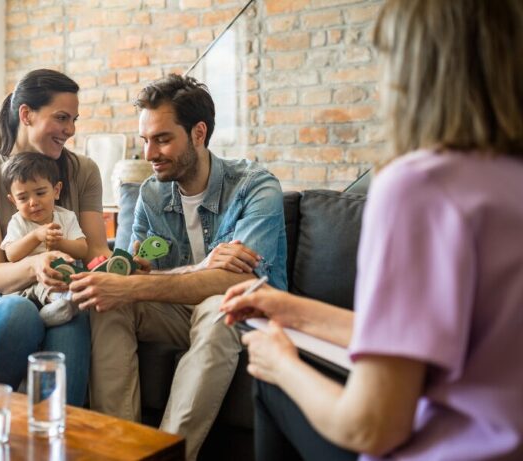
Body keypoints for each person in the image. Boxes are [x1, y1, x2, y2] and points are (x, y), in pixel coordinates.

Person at [220, 0, 523, 459]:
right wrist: (291, 309)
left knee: (269, 383)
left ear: (411, 72)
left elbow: (371, 427)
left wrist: (281, 365)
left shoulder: (421, 185)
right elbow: (427, 337)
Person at [69, 74, 288, 460]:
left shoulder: (255, 186)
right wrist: (194, 268)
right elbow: (123, 274)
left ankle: (164, 456)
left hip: (244, 314)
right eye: (144, 140)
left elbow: (240, 282)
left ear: (198, 133)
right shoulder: (151, 194)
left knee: (221, 308)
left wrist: (142, 282)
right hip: (175, 312)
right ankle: (119, 451)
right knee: (109, 304)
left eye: (163, 139)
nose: (149, 153)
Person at [0, 69, 110, 407]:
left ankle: (56, 443)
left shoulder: (83, 171)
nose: (70, 130)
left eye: (73, 119)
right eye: (61, 118)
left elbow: (97, 250)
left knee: (71, 317)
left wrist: (121, 268)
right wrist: (36, 264)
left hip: (61, 294)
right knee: (17, 313)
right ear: (26, 114)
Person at [0, 151, 88, 327]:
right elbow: (11, 254)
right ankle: (52, 313)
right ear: (13, 201)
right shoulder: (18, 222)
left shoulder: (67, 217)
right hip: (30, 282)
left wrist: (60, 243)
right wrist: (35, 236)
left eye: (40, 193)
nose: (33, 202)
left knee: (78, 283)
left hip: (64, 276)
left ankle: (65, 304)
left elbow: (82, 250)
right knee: (47, 289)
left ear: (56, 191)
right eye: (23, 198)